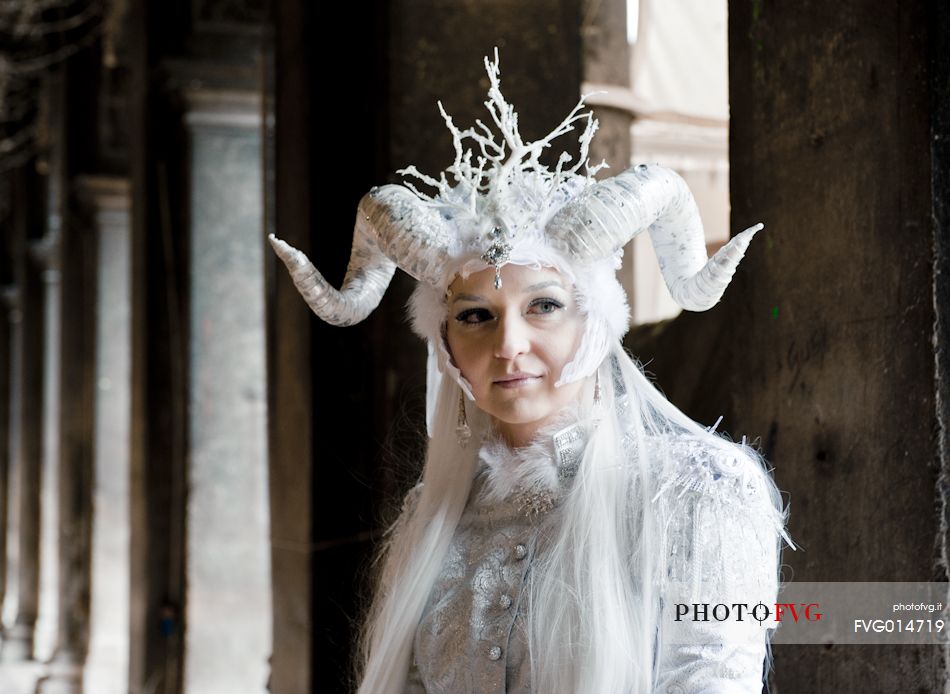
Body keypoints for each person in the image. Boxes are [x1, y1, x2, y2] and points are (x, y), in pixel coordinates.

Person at [270, 50, 793, 694]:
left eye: (544, 307)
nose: (509, 346)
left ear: (595, 322)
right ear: (446, 343)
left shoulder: (697, 494)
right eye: (475, 316)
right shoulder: (432, 518)